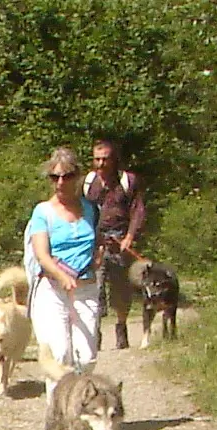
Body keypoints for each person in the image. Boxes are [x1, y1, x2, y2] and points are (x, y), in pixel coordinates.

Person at [25, 146, 100, 380]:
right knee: (59, 355)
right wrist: (61, 276)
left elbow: (98, 242)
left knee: (87, 358)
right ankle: (59, 412)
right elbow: (41, 254)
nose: (60, 182)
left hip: (85, 287)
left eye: (66, 176)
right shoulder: (42, 212)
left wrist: (99, 255)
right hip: (51, 289)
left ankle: (77, 399)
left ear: (77, 177)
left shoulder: (91, 210)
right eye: (54, 176)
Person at [82, 138, 146, 349]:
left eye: (105, 159)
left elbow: (137, 211)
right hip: (97, 242)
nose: (101, 164)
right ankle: (95, 333)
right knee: (95, 288)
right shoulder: (88, 183)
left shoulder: (128, 181)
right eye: (97, 159)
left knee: (120, 289)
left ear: (114, 160)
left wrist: (129, 237)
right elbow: (82, 212)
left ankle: (121, 326)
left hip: (120, 240)